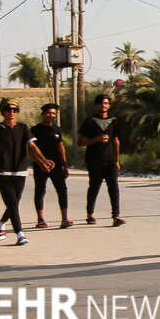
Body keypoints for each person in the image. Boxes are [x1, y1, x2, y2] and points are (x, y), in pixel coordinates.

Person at [0, 98, 51, 246]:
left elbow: (32, 147)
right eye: (9, 109)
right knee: (13, 203)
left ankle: (0, 223)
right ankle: (20, 233)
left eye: (15, 109)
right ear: (3, 112)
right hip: (2, 172)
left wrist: (43, 160)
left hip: (20, 171)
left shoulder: (23, 128)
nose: (12, 112)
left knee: (14, 203)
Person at [77, 94, 124, 226]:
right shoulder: (90, 122)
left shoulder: (114, 121)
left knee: (114, 188)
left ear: (109, 105)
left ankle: (116, 216)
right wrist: (95, 140)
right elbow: (80, 143)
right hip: (94, 161)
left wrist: (117, 160)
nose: (103, 105)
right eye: (100, 103)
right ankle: (90, 215)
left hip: (110, 161)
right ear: (96, 105)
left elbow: (116, 140)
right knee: (94, 188)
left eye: (106, 103)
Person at [30, 103, 71, 229]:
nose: (51, 115)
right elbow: (31, 149)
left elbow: (61, 147)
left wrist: (64, 165)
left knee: (62, 191)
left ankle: (65, 219)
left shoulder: (57, 129)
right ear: (42, 114)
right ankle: (40, 219)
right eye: (48, 113)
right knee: (40, 191)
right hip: (40, 166)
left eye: (53, 113)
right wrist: (41, 162)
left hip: (57, 165)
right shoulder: (34, 130)